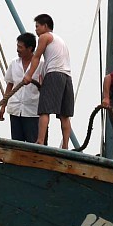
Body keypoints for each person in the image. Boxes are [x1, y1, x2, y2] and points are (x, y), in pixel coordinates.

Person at [23, 14, 74, 149]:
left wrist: (28, 75)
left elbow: (36, 57)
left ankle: (40, 140)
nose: (36, 30)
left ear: (45, 26)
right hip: (67, 76)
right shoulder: (60, 40)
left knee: (44, 110)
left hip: (54, 74)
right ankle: (65, 145)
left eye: (37, 26)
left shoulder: (44, 37)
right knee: (64, 114)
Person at [0, 31, 45, 143]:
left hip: (32, 111)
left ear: (30, 48)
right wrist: (3, 106)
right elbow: (9, 85)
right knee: (16, 144)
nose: (18, 50)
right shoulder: (14, 63)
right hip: (15, 109)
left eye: (20, 47)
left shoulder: (41, 65)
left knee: (33, 144)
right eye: (17, 46)